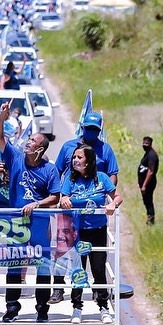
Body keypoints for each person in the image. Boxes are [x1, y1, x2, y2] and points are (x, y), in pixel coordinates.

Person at [0, 101, 60, 323]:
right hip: (16, 226)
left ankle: (42, 309)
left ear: (40, 149)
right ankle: (12, 308)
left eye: (32, 141)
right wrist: (2, 117)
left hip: (40, 227)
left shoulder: (49, 170)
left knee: (42, 268)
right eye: (29, 139)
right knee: (14, 266)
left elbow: (56, 196)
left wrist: (37, 204)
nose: (28, 142)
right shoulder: (15, 158)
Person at [51, 112, 119, 303]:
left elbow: (112, 175)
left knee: (96, 259)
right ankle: (58, 289)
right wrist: (60, 197)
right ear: (82, 127)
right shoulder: (68, 147)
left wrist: (106, 196)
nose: (91, 132)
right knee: (63, 252)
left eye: (95, 130)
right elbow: (56, 172)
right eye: (88, 128)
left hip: (93, 208)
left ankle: (99, 292)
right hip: (70, 209)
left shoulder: (105, 149)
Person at [60, 144, 123, 324]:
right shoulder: (70, 179)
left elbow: (117, 196)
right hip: (78, 232)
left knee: (98, 269)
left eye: (79, 157)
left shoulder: (102, 178)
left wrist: (112, 204)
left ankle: (103, 306)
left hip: (98, 231)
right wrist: (64, 199)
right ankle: (77, 307)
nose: (75, 160)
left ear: (88, 161)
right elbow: (63, 197)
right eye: (74, 157)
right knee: (78, 271)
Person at [138, 136, 159, 225]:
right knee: (146, 201)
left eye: (146, 143)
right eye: (143, 143)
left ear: (150, 144)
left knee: (148, 201)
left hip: (149, 183)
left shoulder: (152, 155)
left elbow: (150, 171)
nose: (144, 145)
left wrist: (144, 185)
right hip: (144, 183)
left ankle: (151, 219)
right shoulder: (147, 153)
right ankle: (149, 217)